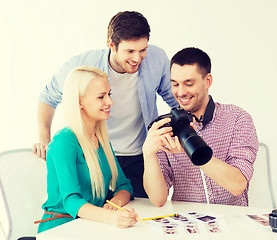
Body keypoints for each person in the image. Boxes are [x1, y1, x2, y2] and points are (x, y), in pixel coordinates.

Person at [33, 11, 178, 198]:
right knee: (95, 215)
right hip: (95, 156)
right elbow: (48, 97)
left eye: (142, 50)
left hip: (138, 156)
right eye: (130, 51)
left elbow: (174, 97)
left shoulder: (157, 58)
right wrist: (44, 138)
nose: (137, 58)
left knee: (140, 214)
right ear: (112, 45)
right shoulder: (82, 66)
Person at [143, 47, 258, 207]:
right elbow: (158, 199)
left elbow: (237, 185)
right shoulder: (166, 128)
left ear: (208, 81)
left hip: (232, 221)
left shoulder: (237, 118)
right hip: (186, 223)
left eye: (188, 84)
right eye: (175, 84)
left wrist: (193, 151)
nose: (181, 92)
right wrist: (148, 153)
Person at [37, 66, 138, 233]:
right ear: (79, 102)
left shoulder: (103, 141)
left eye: (109, 94)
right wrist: (112, 217)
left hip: (92, 225)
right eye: (101, 97)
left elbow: (124, 186)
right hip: (61, 230)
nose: (110, 102)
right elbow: (71, 201)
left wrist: (115, 204)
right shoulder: (64, 141)